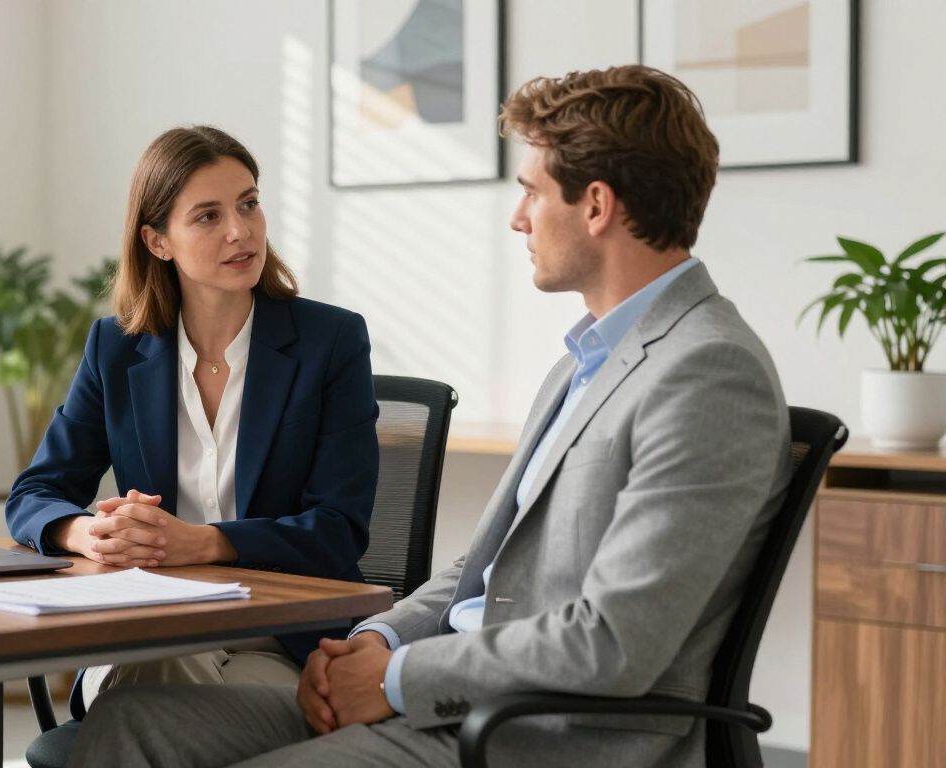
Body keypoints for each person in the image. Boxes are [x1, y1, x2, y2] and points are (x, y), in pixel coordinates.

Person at [69, 65, 793, 768]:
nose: (517, 219)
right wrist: (376, 641)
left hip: (530, 733)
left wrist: (392, 681)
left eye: (531, 193)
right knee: (131, 727)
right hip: (449, 699)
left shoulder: (705, 372)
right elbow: (480, 573)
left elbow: (612, 642)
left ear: (596, 206)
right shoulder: (585, 360)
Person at [5, 125, 380, 715]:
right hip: (153, 617)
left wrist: (201, 543)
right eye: (208, 216)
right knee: (163, 663)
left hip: (278, 635)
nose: (241, 231)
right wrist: (90, 535)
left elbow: (339, 527)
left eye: (249, 204)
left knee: (149, 697)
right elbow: (36, 493)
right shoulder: (116, 347)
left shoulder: (329, 340)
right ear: (158, 242)